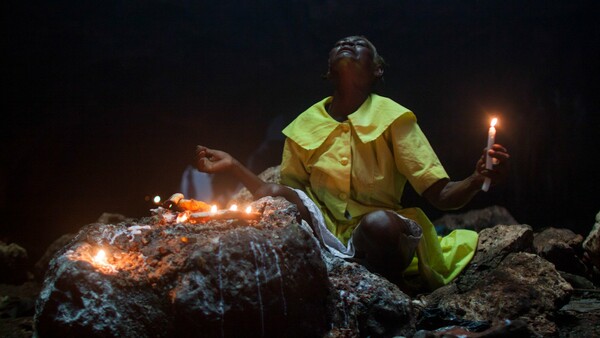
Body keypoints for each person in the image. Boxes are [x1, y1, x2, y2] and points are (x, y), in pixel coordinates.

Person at [195, 35, 510, 293]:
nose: (347, 43)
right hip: (325, 232)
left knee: (379, 225)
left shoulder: (393, 119)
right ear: (329, 71)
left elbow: (440, 195)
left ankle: (387, 289)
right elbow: (281, 194)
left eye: (359, 44)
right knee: (283, 201)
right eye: (340, 43)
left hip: (381, 237)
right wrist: (234, 165)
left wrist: (475, 178)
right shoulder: (303, 126)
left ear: (377, 71)